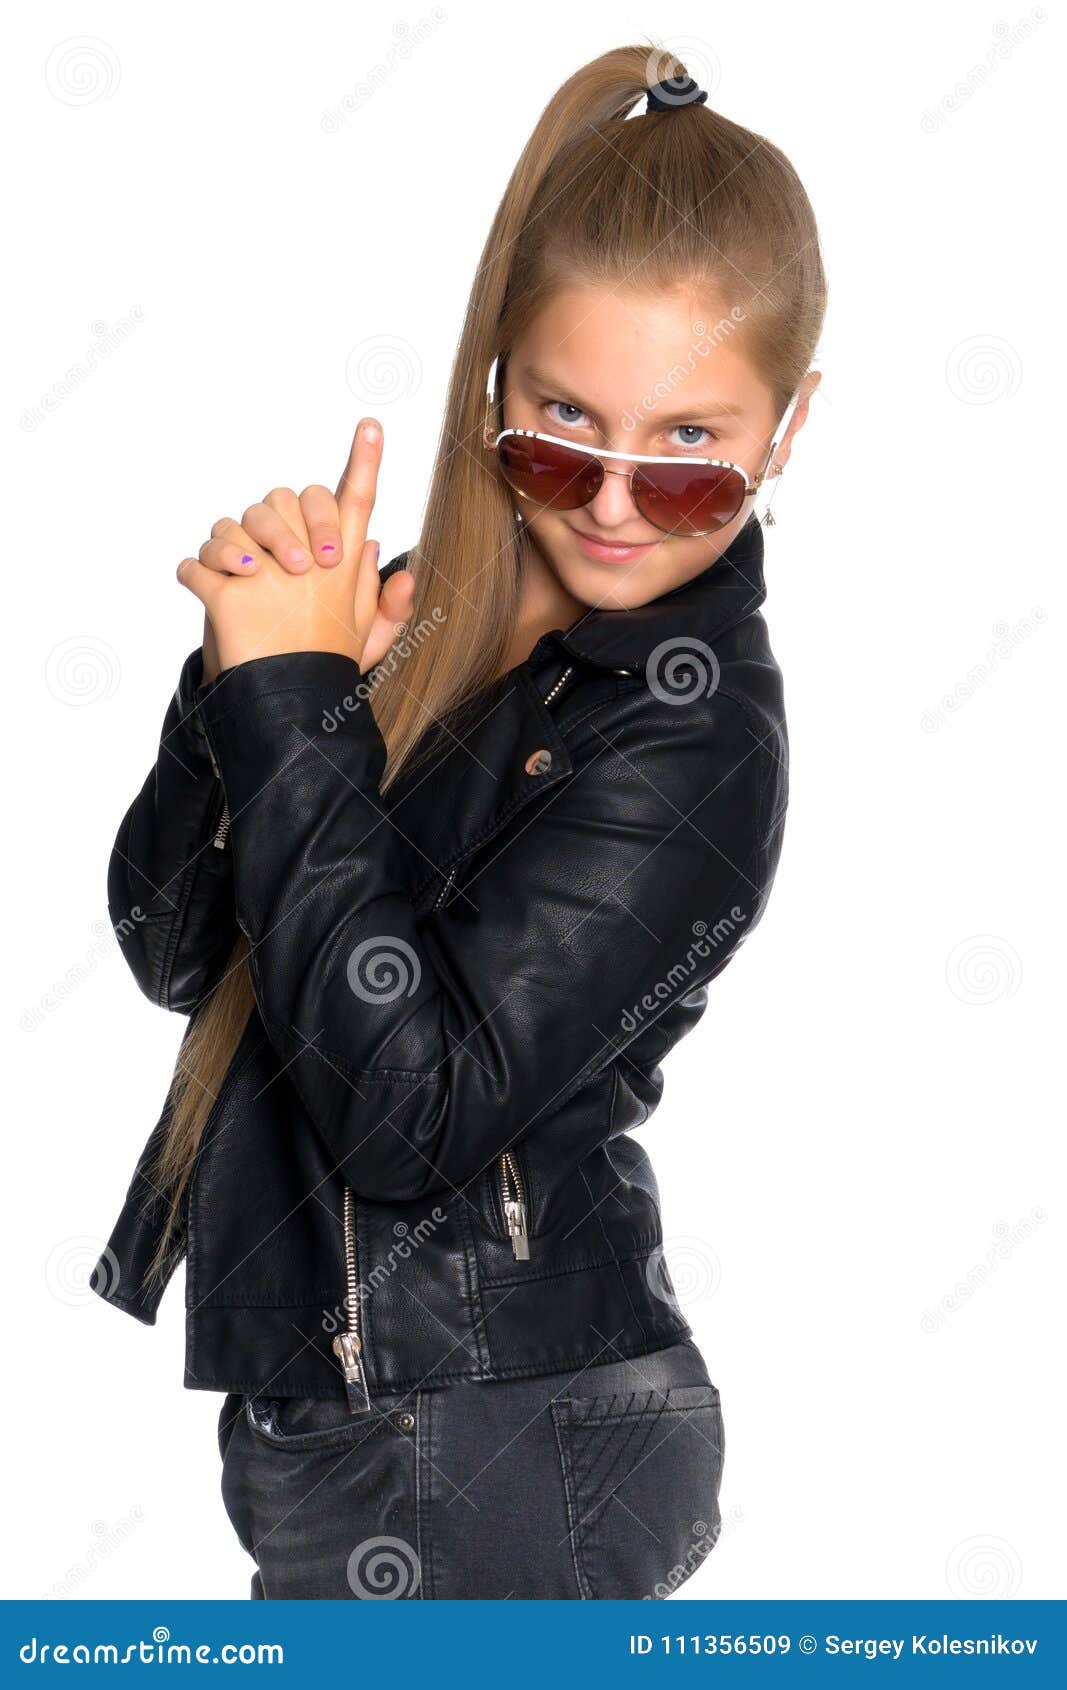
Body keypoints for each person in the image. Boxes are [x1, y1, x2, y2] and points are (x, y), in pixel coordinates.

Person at [92, 45, 825, 1600]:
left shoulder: (695, 732)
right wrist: (247, 676)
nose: (617, 502)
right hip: (360, 1420)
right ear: (495, 380)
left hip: (500, 1432)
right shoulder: (423, 612)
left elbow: (406, 1117)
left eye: (690, 454)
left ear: (789, 426)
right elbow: (178, 956)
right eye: (566, 423)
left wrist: (295, 705)